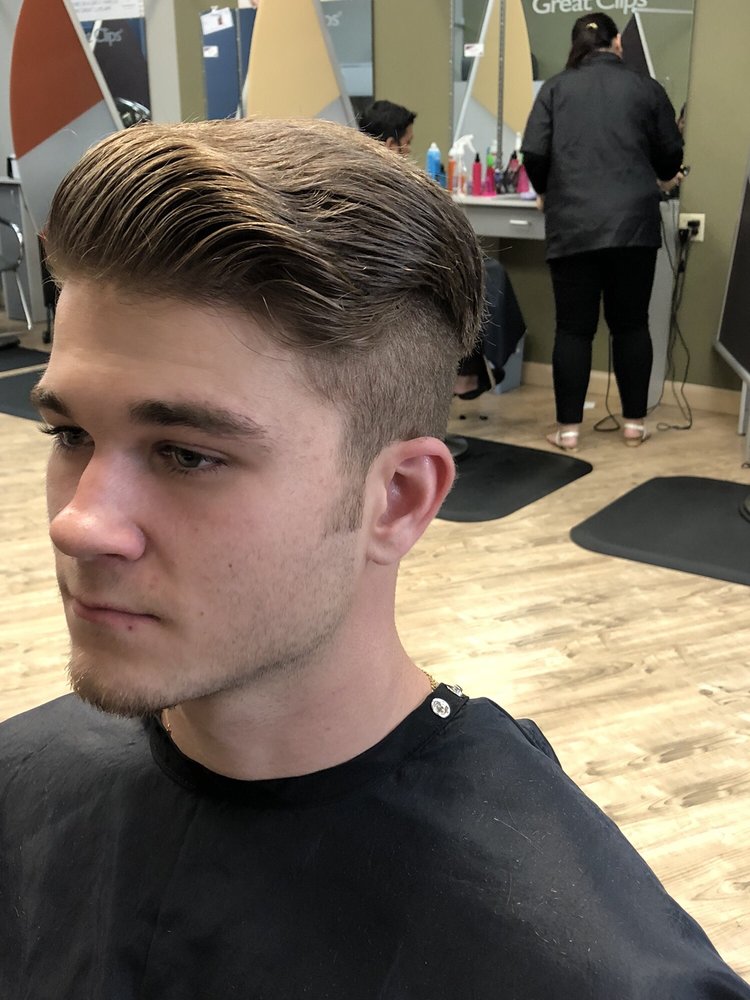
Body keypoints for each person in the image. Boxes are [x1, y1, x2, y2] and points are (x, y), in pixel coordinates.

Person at [1, 118, 748, 999]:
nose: (79, 524)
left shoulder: (600, 976)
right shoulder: (23, 784)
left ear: (396, 499)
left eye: (186, 455)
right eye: (69, 434)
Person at [522, 13, 684, 451]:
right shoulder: (646, 88)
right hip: (633, 225)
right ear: (617, 44)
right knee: (631, 324)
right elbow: (671, 154)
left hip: (573, 223)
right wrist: (660, 174)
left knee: (573, 329)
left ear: (575, 47)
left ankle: (569, 431)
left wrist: (547, 190)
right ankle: (634, 425)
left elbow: (533, 152)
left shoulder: (555, 89)